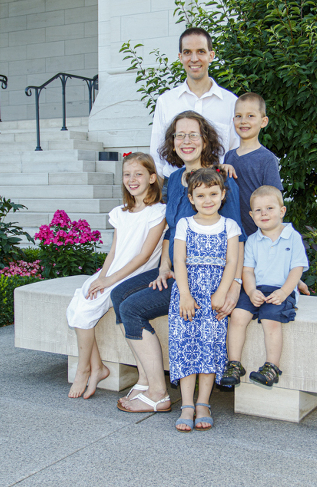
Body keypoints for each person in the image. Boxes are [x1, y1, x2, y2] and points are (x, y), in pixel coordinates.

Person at [112, 110, 246, 415]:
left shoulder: (222, 180)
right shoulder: (173, 180)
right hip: (173, 271)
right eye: (179, 135)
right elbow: (171, 229)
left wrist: (235, 285)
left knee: (132, 308)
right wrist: (162, 265)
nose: (186, 141)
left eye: (193, 135)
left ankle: (159, 392)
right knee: (118, 293)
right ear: (172, 143)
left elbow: (237, 238)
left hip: (206, 279)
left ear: (205, 140)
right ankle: (146, 378)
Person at [65, 153, 166, 399]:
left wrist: (110, 281)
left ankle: (84, 369)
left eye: (138, 174)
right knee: (81, 303)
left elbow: (143, 255)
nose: (132, 179)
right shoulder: (120, 212)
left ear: (152, 178)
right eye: (127, 175)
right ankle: (96, 367)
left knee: (85, 308)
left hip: (135, 274)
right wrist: (102, 275)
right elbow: (113, 251)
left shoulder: (158, 212)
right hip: (113, 270)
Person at [169, 167, 240, 432]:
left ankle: (203, 403)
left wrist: (221, 292)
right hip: (187, 296)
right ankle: (186, 404)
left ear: (223, 194)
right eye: (201, 195)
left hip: (214, 295)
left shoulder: (229, 225)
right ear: (191, 198)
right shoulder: (185, 224)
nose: (207, 199)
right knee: (186, 346)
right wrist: (185, 295)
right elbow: (179, 260)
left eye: (213, 193)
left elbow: (232, 261)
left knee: (210, 347)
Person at [220, 185, 308, 387]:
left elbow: (297, 269)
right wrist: (251, 291)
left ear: (282, 211)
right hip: (256, 289)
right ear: (251, 215)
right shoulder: (252, 240)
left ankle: (272, 367)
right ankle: (234, 364)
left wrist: (284, 292)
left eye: (270, 208)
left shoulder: (292, 236)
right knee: (238, 316)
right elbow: (247, 270)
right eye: (258, 210)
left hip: (280, 290)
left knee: (270, 319)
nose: (264, 213)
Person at [150, 28, 239, 179]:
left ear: (211, 56)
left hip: (216, 190)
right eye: (187, 52)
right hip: (173, 187)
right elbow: (157, 157)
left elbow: (236, 152)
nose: (194, 58)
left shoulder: (231, 102)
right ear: (180, 57)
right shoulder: (166, 101)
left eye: (201, 51)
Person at [223, 92, 283, 236]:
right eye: (239, 116)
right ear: (233, 120)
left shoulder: (267, 159)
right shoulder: (229, 156)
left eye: (251, 116)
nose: (243, 121)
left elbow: (275, 200)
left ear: (263, 121)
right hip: (231, 232)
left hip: (256, 233)